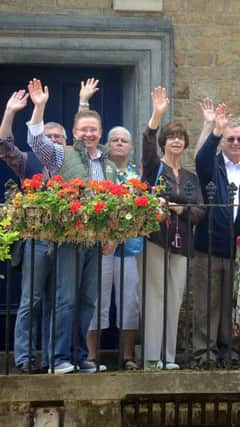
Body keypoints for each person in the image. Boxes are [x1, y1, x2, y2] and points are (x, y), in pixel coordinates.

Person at [26, 78, 117, 374]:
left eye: (93, 129)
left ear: (100, 132)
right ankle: (57, 358)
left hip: (97, 241)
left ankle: (79, 356)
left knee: (87, 300)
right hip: (68, 239)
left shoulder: (108, 164)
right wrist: (39, 108)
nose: (88, 134)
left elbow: (115, 203)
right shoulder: (61, 154)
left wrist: (112, 236)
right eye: (83, 129)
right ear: (74, 133)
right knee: (65, 299)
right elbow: (37, 143)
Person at [0, 90, 66, 373]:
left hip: (67, 242)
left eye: (58, 138)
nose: (52, 141)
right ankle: (25, 359)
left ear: (66, 142)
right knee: (31, 301)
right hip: (37, 240)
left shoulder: (72, 164)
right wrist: (10, 112)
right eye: (48, 136)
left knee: (57, 303)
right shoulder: (29, 161)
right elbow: (4, 144)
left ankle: (53, 359)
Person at [141, 86, 204, 370]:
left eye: (180, 138)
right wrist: (157, 116)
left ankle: (168, 356)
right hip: (156, 238)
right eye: (172, 137)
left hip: (182, 243)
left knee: (174, 298)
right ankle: (152, 358)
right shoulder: (155, 167)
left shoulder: (190, 177)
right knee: (154, 296)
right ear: (164, 142)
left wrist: (180, 208)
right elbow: (146, 142)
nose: (176, 141)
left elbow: (200, 211)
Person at [192, 106, 240, 367]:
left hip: (239, 248)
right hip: (207, 246)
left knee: (233, 304)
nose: (235, 143)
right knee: (206, 305)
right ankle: (204, 354)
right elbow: (200, 158)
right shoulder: (212, 165)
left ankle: (229, 350)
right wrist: (215, 130)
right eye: (230, 139)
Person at [86, 126, 142, 371]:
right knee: (96, 299)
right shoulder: (99, 171)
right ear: (107, 145)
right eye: (114, 139)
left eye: (124, 140)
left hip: (130, 248)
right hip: (102, 247)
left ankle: (128, 356)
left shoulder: (137, 175)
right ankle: (91, 356)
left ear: (131, 147)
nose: (119, 143)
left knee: (130, 301)